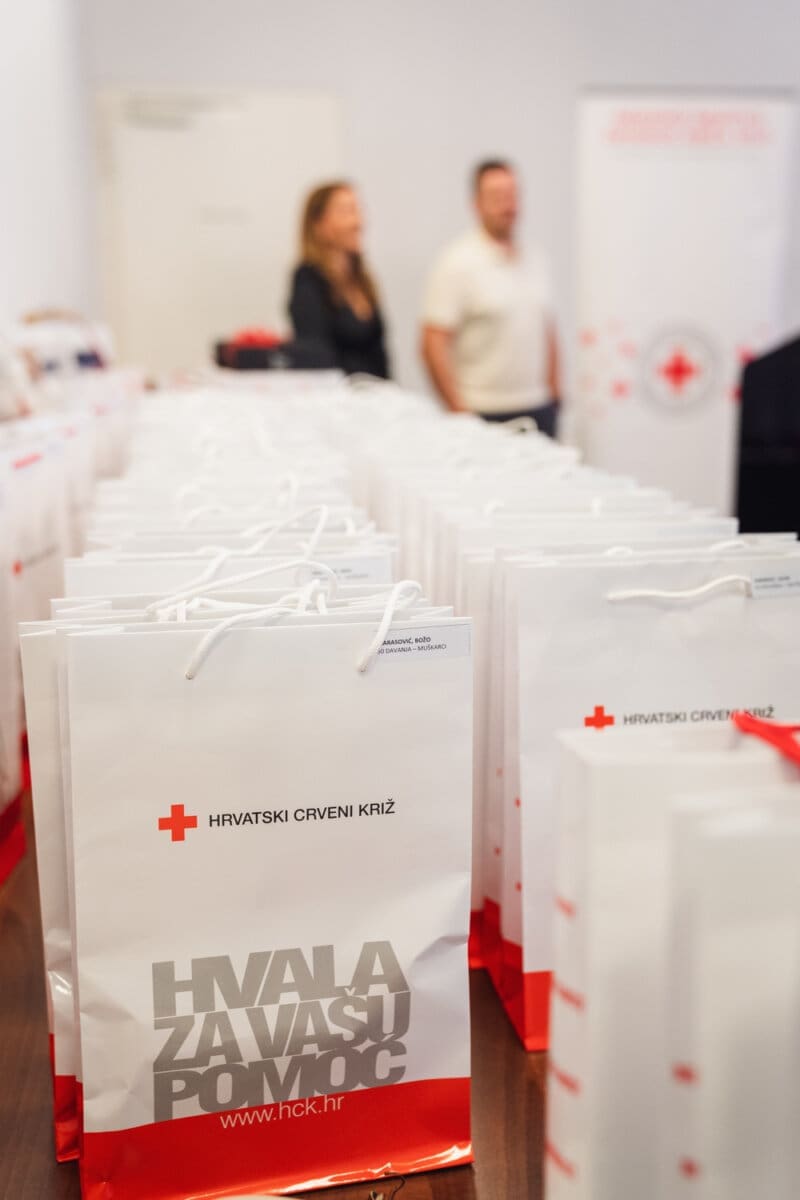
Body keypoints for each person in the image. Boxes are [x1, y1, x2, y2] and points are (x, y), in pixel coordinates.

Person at [420, 159, 560, 435]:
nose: (507, 205)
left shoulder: (536, 258)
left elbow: (547, 330)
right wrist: (458, 410)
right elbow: (432, 343)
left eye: (512, 195)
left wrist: (555, 393)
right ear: (476, 204)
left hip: (538, 406)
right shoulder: (457, 262)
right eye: (497, 197)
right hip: (483, 411)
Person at [288, 182, 390, 378]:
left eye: (358, 210)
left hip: (375, 390)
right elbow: (316, 356)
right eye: (346, 212)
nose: (358, 222)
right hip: (340, 392)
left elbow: (381, 356)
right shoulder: (308, 280)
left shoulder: (362, 280)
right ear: (318, 225)